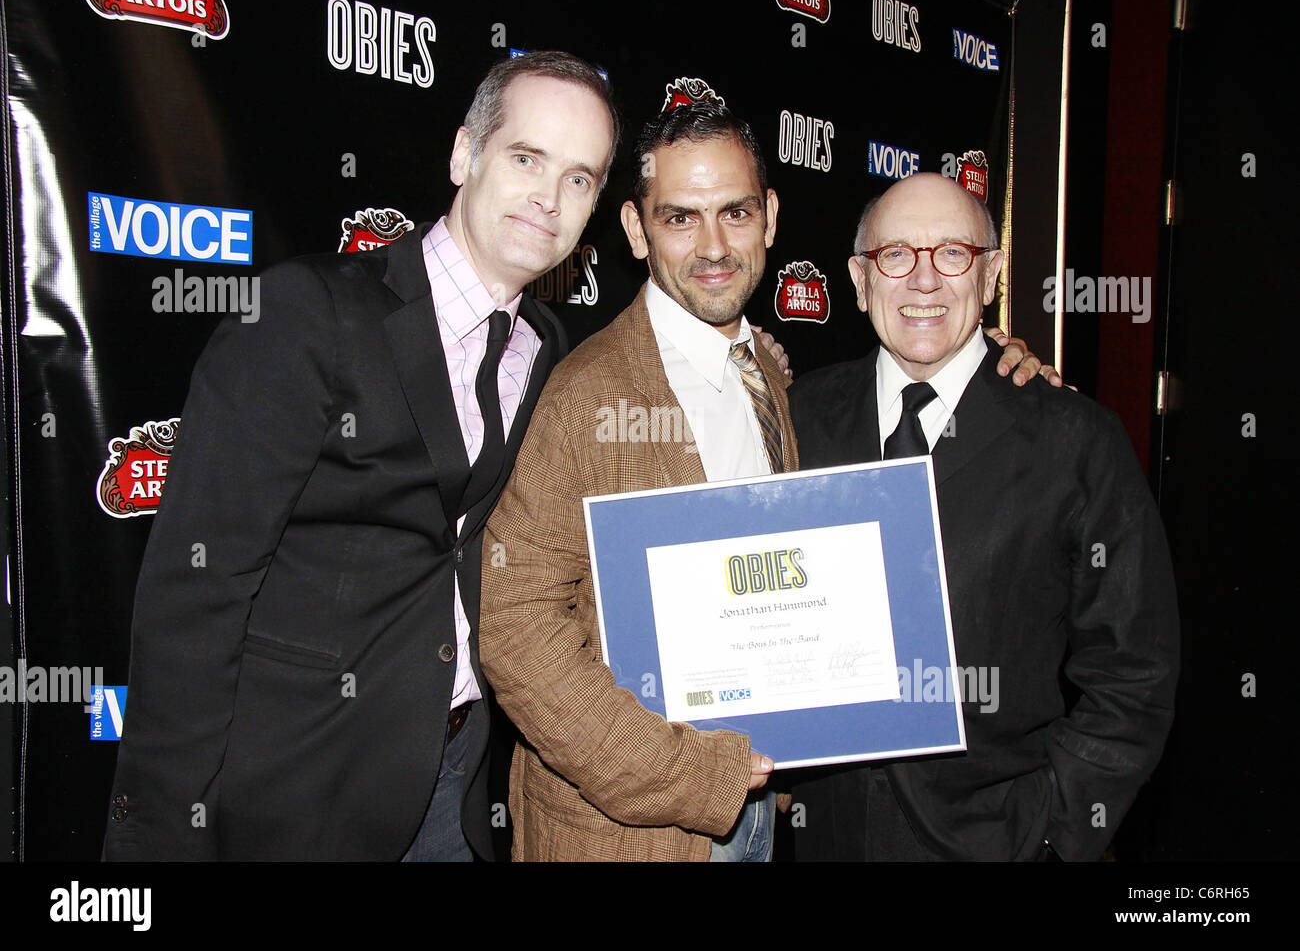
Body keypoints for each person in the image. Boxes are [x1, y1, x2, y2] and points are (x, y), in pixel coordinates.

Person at [478, 106, 1052, 861]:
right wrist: (688, 775)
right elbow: (514, 622)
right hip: (633, 833)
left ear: (770, 216)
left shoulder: (777, 381)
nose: (713, 247)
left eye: (735, 212)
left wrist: (995, 366)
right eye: (680, 218)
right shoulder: (589, 395)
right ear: (635, 228)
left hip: (765, 814)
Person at [103, 50, 620, 861]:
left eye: (581, 178)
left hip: (455, 783)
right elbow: (194, 594)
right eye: (527, 158)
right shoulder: (307, 313)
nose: (550, 199)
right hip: (295, 787)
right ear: (464, 154)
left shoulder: (547, 349)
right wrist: (157, 841)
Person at [788, 173, 1179, 861]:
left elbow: (1135, 670)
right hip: (827, 835)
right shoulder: (799, 419)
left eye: (953, 254)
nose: (925, 279)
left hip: (999, 841)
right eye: (897, 254)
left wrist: (1053, 825)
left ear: (991, 272)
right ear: (857, 278)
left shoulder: (1074, 439)